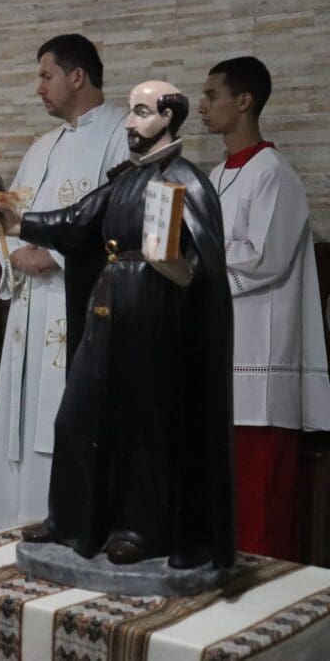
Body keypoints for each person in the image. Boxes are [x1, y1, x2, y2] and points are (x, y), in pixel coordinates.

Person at [0, 80, 234, 568]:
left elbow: (198, 269)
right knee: (77, 414)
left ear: (168, 118)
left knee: (145, 426)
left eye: (142, 112)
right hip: (108, 308)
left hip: (156, 318)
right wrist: (17, 223)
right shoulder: (126, 179)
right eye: (132, 112)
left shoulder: (183, 180)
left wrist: (176, 265)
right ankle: (73, 517)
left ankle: (141, 529)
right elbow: (79, 220)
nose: (130, 122)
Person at [0, 34, 129, 533]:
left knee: (68, 411)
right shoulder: (43, 146)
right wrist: (14, 251)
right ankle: (13, 520)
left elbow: (123, 217)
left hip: (81, 304)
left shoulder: (121, 135)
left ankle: (70, 521)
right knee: (25, 415)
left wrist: (58, 255)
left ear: (77, 76)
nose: (39, 88)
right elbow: (12, 216)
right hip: (31, 307)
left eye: (46, 76)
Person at [199, 56, 330, 561]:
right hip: (220, 347)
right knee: (223, 487)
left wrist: (195, 263)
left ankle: (265, 594)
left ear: (245, 100)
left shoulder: (274, 174)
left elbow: (263, 258)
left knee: (260, 495)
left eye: (213, 95)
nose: (203, 106)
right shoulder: (215, 175)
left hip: (261, 353)